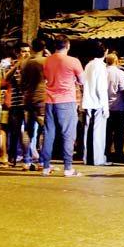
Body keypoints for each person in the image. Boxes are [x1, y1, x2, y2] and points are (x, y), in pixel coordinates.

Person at [41, 35, 85, 177]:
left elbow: (45, 78)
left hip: (49, 100)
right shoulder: (73, 61)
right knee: (68, 134)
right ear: (67, 45)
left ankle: (46, 167)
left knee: (48, 134)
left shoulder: (46, 61)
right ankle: (68, 168)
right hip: (66, 100)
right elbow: (82, 80)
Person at [20, 38, 48, 171]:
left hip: (28, 99)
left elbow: (22, 83)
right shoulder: (45, 62)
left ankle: (26, 161)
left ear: (32, 48)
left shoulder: (25, 63)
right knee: (44, 130)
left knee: (27, 130)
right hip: (42, 99)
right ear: (43, 48)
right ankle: (42, 162)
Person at [82, 41, 110, 166]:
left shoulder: (88, 65)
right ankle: (97, 159)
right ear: (106, 52)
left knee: (88, 131)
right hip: (98, 103)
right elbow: (101, 88)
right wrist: (105, 106)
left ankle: (87, 157)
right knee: (98, 133)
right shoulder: (101, 67)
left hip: (87, 101)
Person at [105, 53, 124, 163]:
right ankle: (119, 153)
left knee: (107, 132)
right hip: (118, 106)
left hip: (105, 106)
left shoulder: (102, 72)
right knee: (119, 132)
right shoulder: (120, 73)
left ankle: (107, 153)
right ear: (116, 61)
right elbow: (123, 89)